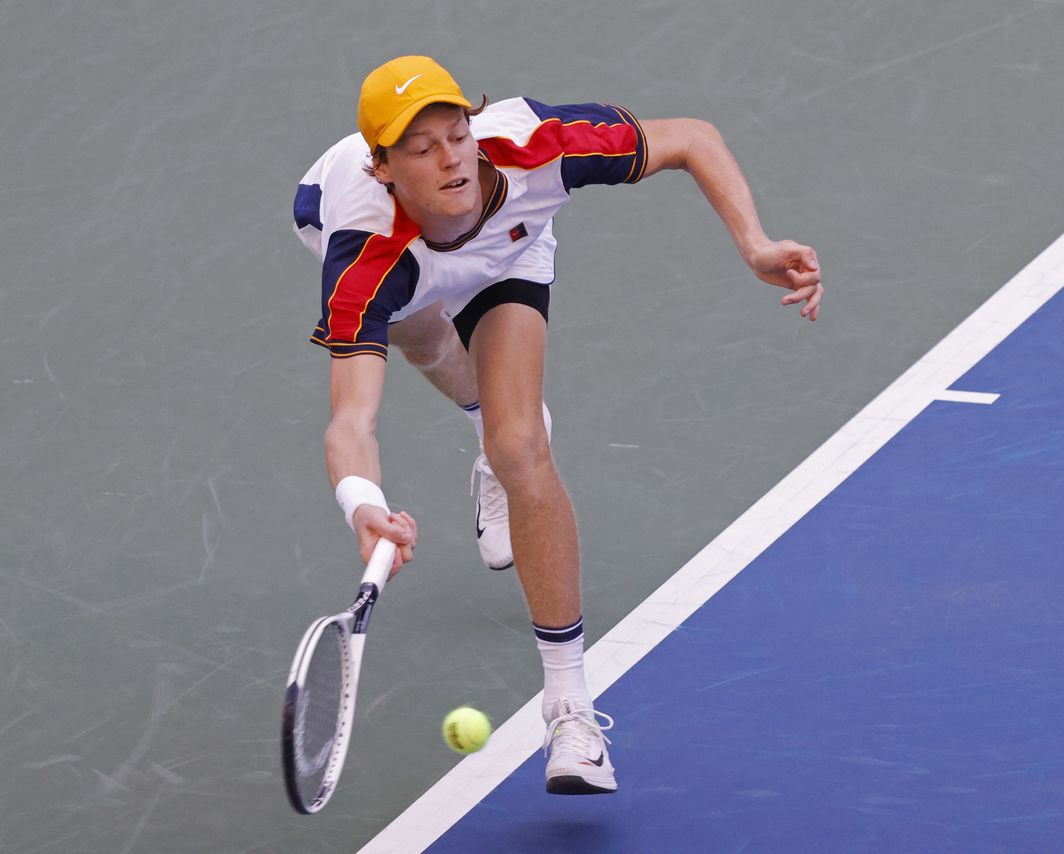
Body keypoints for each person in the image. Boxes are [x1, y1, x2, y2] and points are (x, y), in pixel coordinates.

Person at [292, 55, 822, 795]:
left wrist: (755, 243)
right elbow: (352, 421)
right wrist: (363, 504)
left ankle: (570, 709)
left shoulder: (537, 145)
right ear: (382, 168)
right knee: (421, 337)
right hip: (393, 258)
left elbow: (692, 138)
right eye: (422, 148)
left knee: (520, 445)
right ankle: (482, 414)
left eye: (458, 135)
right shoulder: (363, 257)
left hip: (510, 248)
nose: (451, 159)